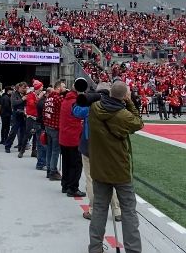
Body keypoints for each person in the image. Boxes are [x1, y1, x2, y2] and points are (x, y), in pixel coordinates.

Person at [86, 81, 144, 253]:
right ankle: (133, 250)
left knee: (99, 210)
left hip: (99, 168)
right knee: (128, 212)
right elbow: (138, 123)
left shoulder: (95, 108)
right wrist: (130, 101)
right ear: (124, 95)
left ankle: (95, 247)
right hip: (120, 170)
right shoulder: (124, 115)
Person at [73, 82, 121, 222]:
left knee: (91, 179)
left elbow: (75, 111)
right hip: (109, 148)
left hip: (90, 147)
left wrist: (82, 97)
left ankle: (93, 210)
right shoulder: (115, 105)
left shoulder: (90, 105)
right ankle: (117, 210)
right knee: (110, 179)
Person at [59, 78, 85, 197]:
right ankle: (73, 187)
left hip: (64, 136)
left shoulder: (65, 100)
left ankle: (65, 185)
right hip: (73, 137)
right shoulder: (76, 102)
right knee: (76, 164)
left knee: (66, 162)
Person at [42, 81, 64, 180]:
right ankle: (53, 171)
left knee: (49, 150)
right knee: (55, 151)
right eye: (63, 87)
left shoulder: (48, 98)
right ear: (58, 88)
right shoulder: (58, 98)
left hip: (48, 126)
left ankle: (49, 170)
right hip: (55, 127)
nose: (65, 88)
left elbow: (44, 112)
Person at [4, 82, 28, 153]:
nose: (24, 89)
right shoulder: (14, 94)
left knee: (23, 132)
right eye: (23, 88)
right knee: (13, 131)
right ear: (19, 87)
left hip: (23, 115)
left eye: (25, 88)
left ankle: (20, 147)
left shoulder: (25, 94)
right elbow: (14, 103)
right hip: (16, 115)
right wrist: (22, 99)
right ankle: (7, 146)